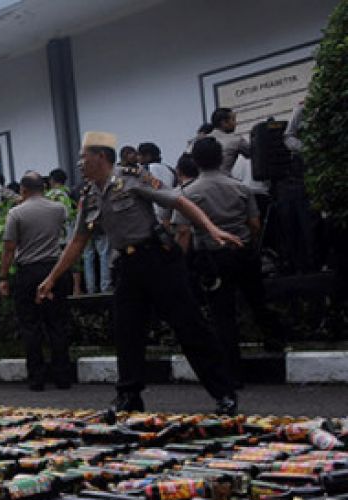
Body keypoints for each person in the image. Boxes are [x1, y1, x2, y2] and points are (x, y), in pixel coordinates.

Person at [36, 131, 244, 417]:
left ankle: (224, 393)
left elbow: (178, 202)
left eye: (84, 157)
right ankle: (129, 397)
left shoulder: (134, 177)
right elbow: (78, 241)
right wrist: (51, 278)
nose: (80, 163)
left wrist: (211, 229)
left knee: (190, 327)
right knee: (127, 332)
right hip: (127, 267)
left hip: (159, 261)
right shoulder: (88, 194)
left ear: (101, 156)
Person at [175, 137, 287, 387]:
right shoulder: (240, 188)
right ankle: (276, 341)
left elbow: (183, 233)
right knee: (257, 300)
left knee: (222, 315)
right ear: (220, 158)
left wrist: (181, 264)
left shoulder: (187, 193)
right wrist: (250, 246)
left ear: (195, 162)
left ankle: (233, 373)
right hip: (243, 252)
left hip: (212, 257)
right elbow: (255, 224)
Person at [0, 171, 73, 390]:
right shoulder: (59, 209)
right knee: (57, 323)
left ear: (23, 190)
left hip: (29, 272)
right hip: (55, 270)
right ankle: (63, 376)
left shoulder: (16, 213)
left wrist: (3, 276)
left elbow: (9, 248)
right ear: (44, 188)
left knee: (30, 325)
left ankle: (37, 378)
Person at [46, 168, 81, 295]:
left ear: (52, 180)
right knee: (73, 263)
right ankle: (76, 289)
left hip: (56, 236)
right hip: (69, 233)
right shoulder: (68, 193)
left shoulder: (50, 196)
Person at [137, 142, 177, 224]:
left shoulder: (146, 170)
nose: (137, 158)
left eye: (139, 155)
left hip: (155, 220)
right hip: (171, 217)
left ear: (147, 156)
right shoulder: (170, 169)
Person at [208, 107, 250, 175]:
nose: (235, 123)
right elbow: (256, 154)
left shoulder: (201, 141)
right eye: (233, 120)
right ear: (224, 123)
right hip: (224, 182)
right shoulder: (236, 140)